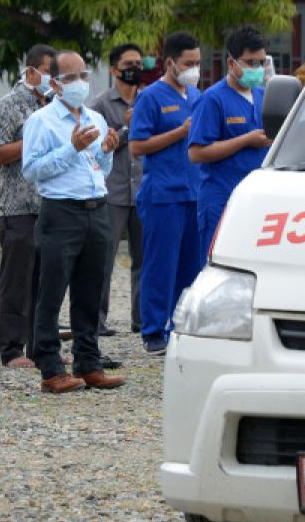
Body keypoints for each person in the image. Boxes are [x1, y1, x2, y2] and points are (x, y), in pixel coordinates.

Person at [22, 51, 125, 394]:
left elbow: (98, 170)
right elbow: (32, 170)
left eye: (84, 75)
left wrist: (107, 150)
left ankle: (88, 362)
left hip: (96, 208)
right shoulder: (42, 120)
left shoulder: (93, 116)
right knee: (51, 291)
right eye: (71, 78)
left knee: (91, 291)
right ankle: (50, 367)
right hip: (60, 211)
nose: (80, 83)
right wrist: (71, 148)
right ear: (54, 84)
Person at [129, 31, 204, 356]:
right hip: (163, 194)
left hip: (193, 193)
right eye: (189, 63)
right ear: (170, 62)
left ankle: (182, 326)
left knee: (191, 267)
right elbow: (136, 146)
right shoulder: (151, 97)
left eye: (198, 63)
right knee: (161, 265)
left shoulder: (196, 95)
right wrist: (179, 132)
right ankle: (153, 331)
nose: (194, 69)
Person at [0, 44, 55, 369]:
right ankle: (12, 349)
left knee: (45, 283)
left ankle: (42, 347)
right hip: (17, 207)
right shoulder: (11, 104)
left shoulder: (54, 105)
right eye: (49, 71)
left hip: (49, 206)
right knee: (17, 281)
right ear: (31, 72)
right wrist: (33, 144)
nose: (54, 79)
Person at [188, 26, 273, 255]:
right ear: (231, 63)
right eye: (249, 62)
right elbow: (196, 153)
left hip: (257, 199)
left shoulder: (264, 96)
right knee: (216, 261)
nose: (256, 69)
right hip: (221, 198)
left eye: (261, 63)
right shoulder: (213, 99)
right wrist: (245, 140)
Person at [89, 43, 145, 339]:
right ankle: (97, 320)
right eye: (129, 64)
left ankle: (142, 318)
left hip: (143, 189)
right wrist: (125, 130)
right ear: (114, 70)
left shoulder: (148, 99)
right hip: (112, 192)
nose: (135, 68)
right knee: (103, 258)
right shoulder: (99, 104)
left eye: (139, 63)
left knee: (144, 258)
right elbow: (97, 147)